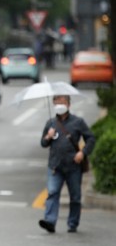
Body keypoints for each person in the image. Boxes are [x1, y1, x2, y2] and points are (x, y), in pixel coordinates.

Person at [39, 95, 95, 233]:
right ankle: (50, 221)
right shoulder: (51, 123)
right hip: (55, 166)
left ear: (68, 104)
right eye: (56, 102)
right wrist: (48, 136)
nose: (59, 105)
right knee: (52, 193)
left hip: (73, 166)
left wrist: (83, 153)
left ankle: (73, 223)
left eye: (62, 102)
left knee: (75, 196)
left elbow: (90, 138)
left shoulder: (78, 122)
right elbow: (43, 143)